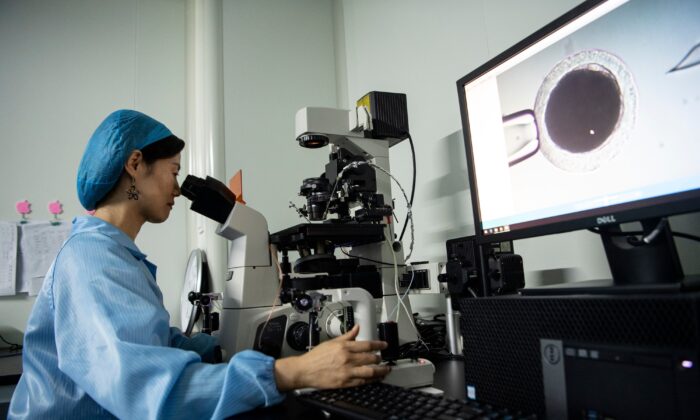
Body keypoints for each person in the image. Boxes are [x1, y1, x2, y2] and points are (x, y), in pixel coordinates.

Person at [8, 110, 390, 419]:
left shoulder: (114, 255)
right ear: (136, 163)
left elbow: (157, 345)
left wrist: (222, 348)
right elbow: (152, 393)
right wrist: (296, 371)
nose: (177, 188)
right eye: (174, 171)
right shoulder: (93, 261)